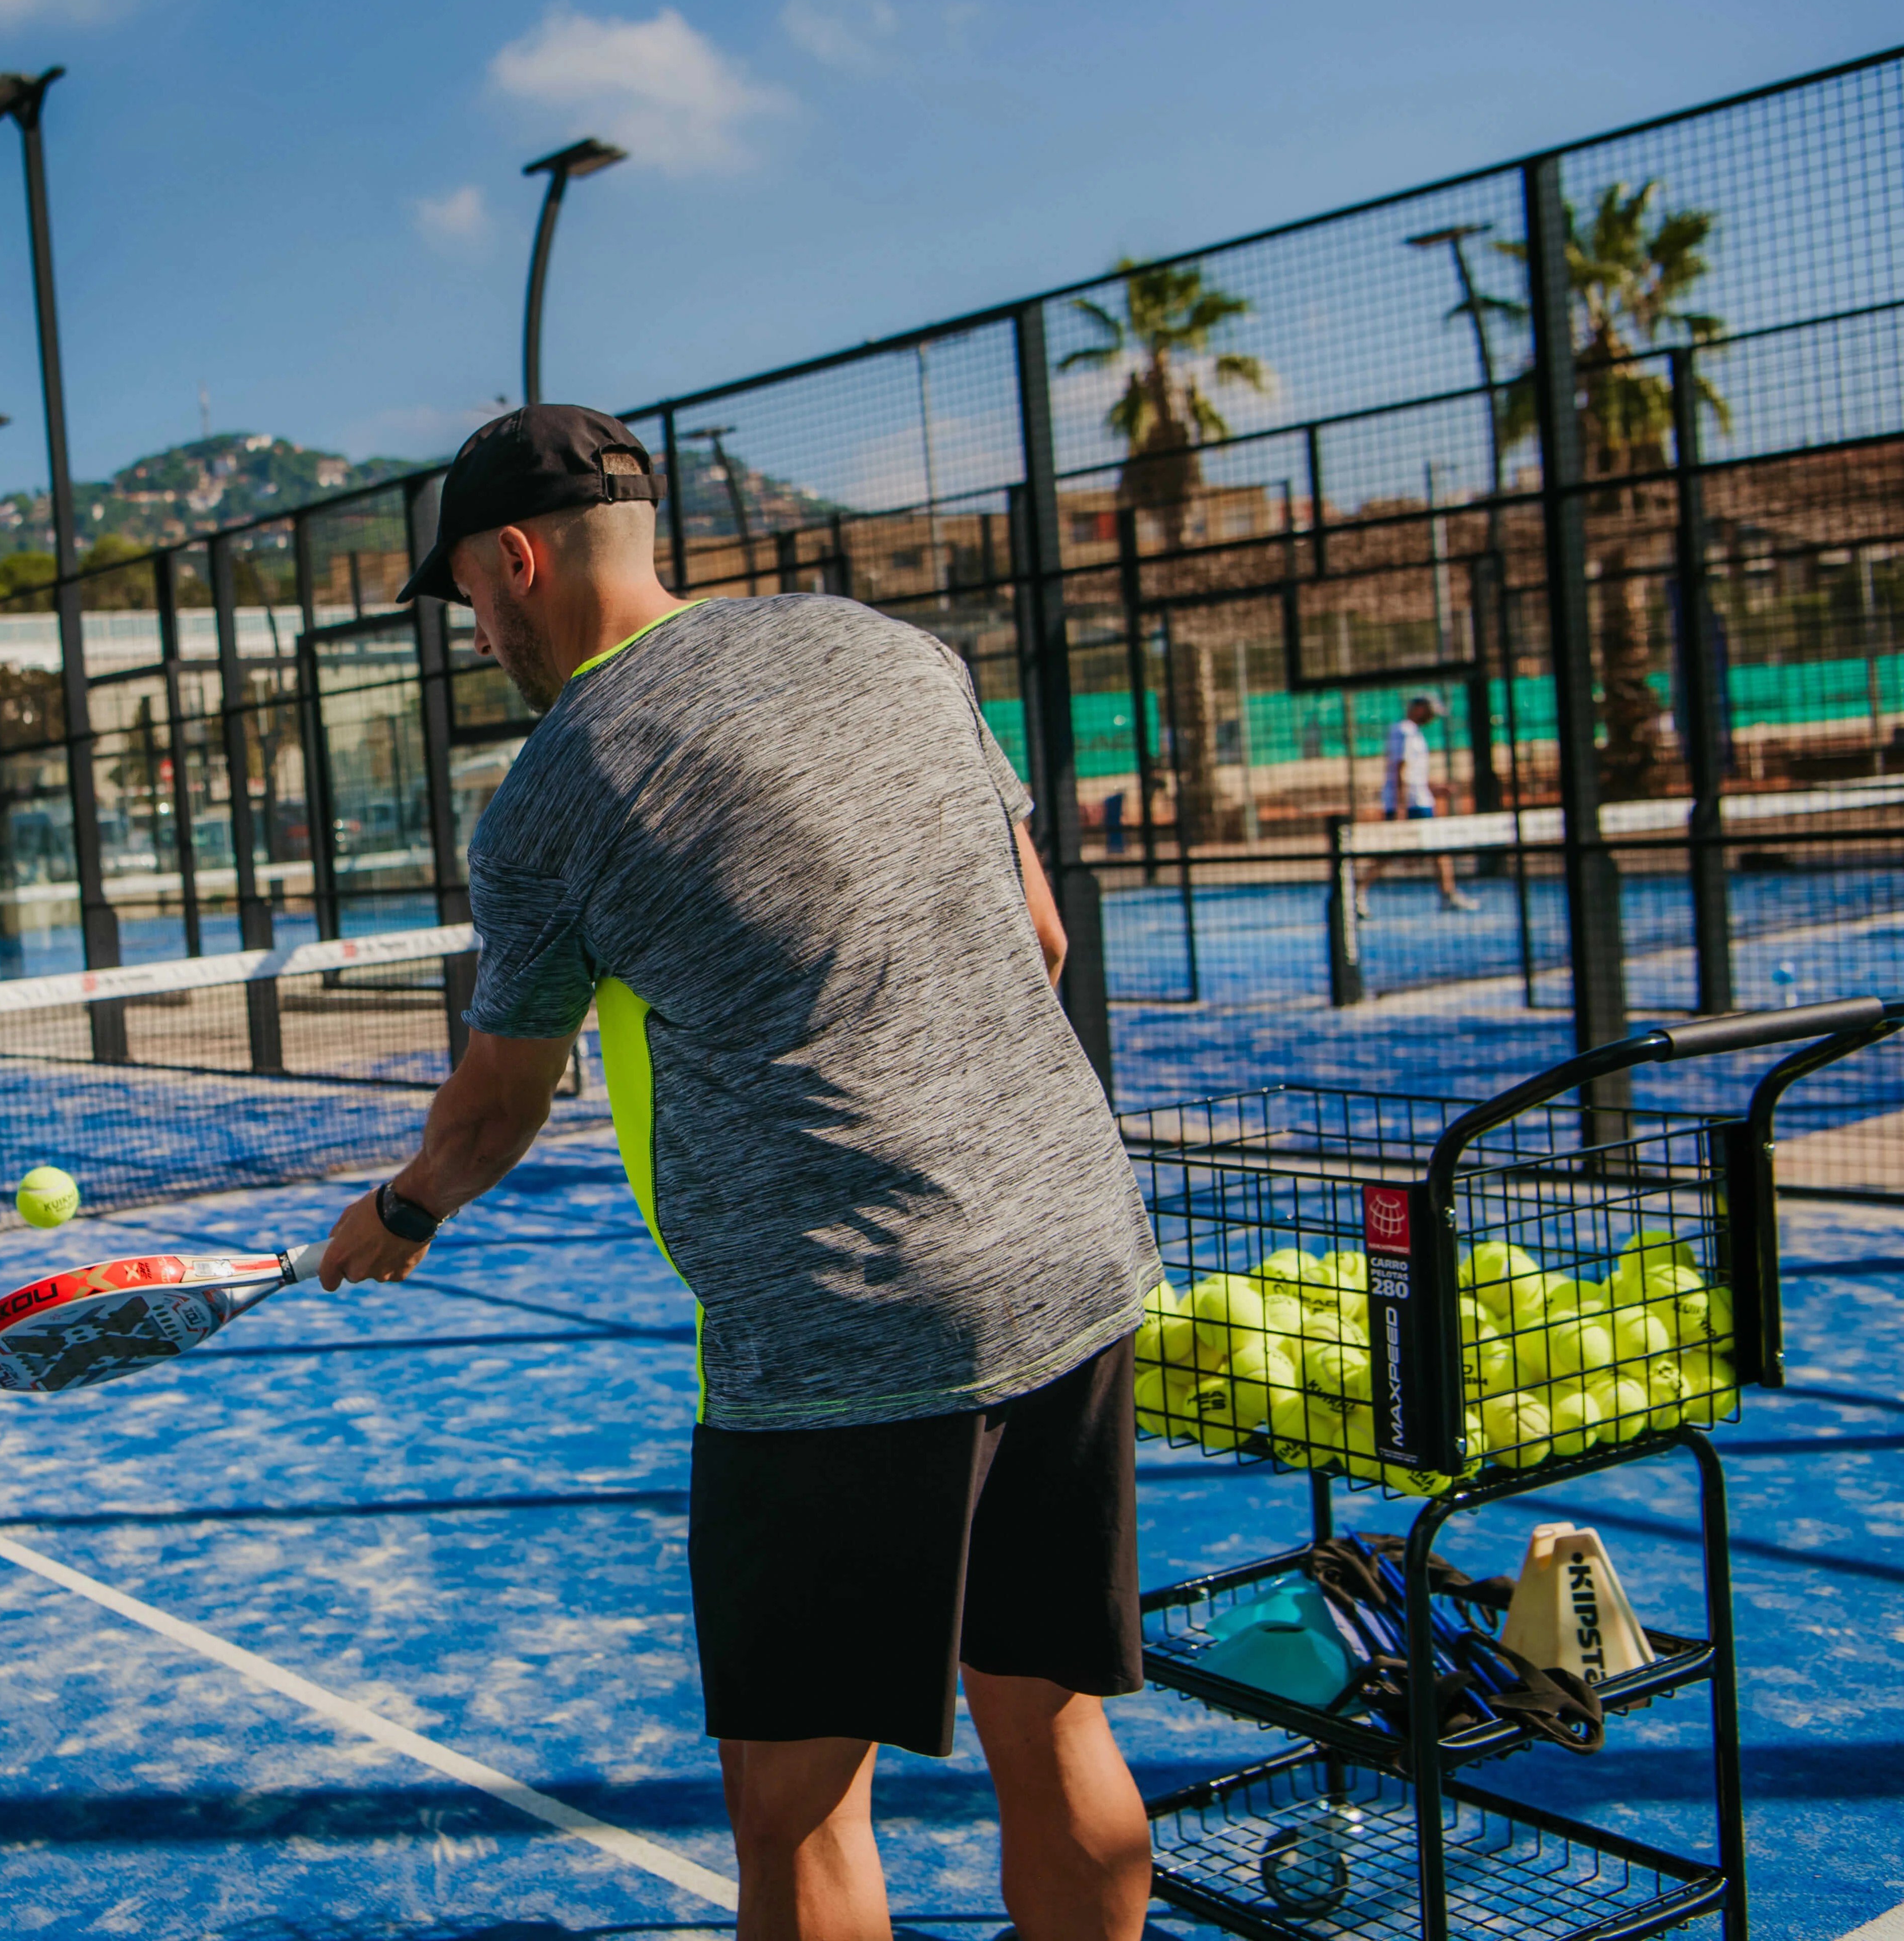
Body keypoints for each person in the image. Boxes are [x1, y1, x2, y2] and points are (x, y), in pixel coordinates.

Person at [313, 406, 1162, 1941]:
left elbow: (495, 1110)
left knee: (795, 1812)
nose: (479, 631)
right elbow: (1038, 938)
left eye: (468, 596)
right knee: (1050, 1724)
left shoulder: (556, 791)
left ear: (514, 560)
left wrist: (398, 1213)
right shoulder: (900, 654)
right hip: (1072, 1252)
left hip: (844, 1331)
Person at [1355, 691, 1479, 916]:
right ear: (1420, 709)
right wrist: (1401, 809)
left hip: (1418, 802)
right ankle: (1355, 895)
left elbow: (1414, 774)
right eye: (1431, 712)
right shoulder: (1402, 731)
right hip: (1407, 805)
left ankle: (1447, 895)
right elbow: (1400, 769)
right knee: (1389, 854)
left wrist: (1433, 788)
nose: (1433, 718)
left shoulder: (1415, 734)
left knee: (1438, 848)